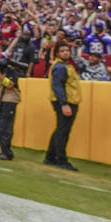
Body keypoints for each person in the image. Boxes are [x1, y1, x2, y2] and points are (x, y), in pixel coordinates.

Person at [45, 42, 80, 171]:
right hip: (66, 101)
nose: (66, 52)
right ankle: (61, 159)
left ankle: (50, 157)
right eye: (62, 51)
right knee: (63, 131)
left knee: (60, 129)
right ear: (58, 53)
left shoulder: (66, 65)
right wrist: (64, 104)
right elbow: (58, 86)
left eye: (67, 50)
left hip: (66, 100)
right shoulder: (60, 67)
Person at [0, 57, 20, 160]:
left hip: (9, 100)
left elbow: (9, 85)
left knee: (4, 127)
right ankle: (5, 150)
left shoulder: (11, 71)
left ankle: (6, 152)